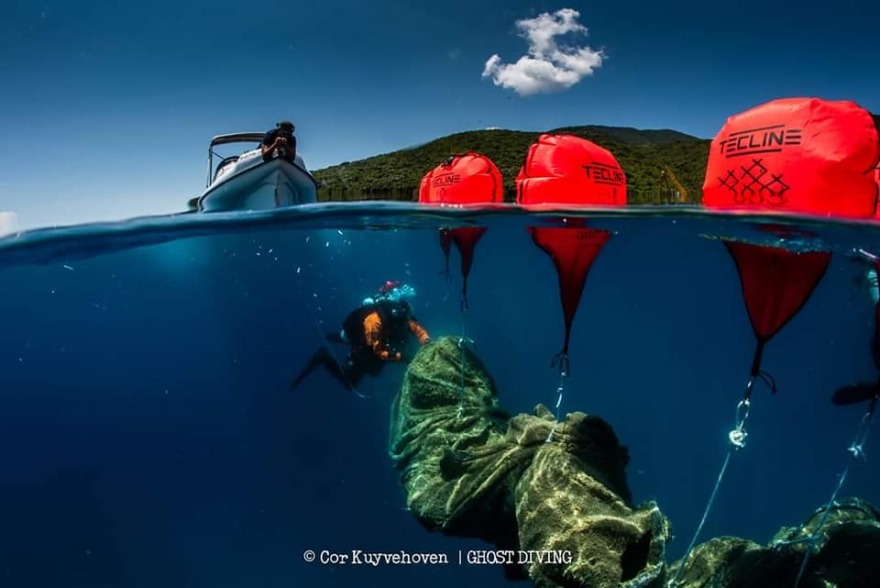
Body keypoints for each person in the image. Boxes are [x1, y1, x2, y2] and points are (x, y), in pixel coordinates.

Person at [290, 281, 432, 393]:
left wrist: (425, 340)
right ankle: (323, 356)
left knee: (379, 366)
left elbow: (416, 328)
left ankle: (339, 338)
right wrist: (402, 356)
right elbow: (378, 351)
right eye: (401, 323)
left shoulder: (402, 317)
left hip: (379, 339)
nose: (404, 325)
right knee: (351, 382)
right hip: (365, 344)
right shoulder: (374, 322)